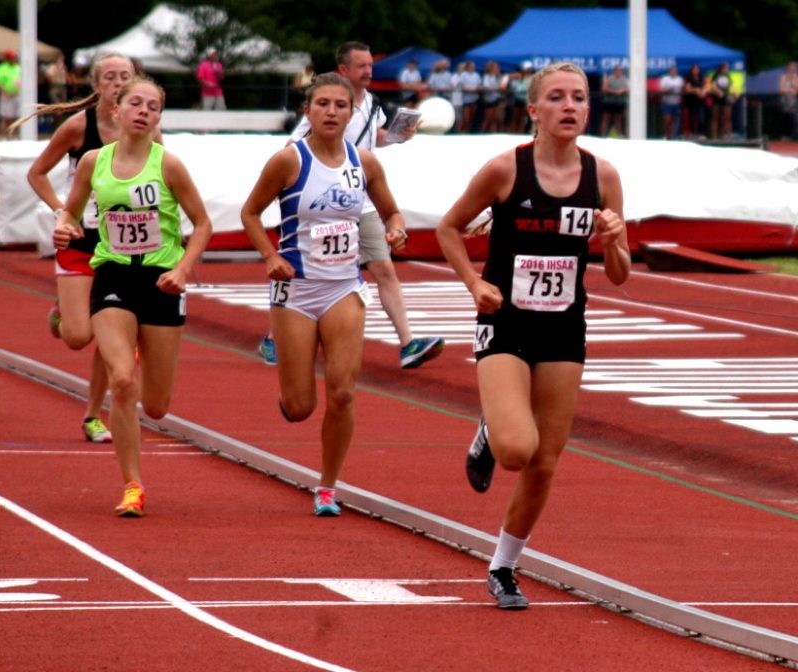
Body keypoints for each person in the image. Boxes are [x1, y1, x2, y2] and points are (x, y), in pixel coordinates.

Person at [436, 63, 631, 609]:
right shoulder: (505, 169)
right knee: (518, 450)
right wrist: (474, 283)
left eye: (579, 98)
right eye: (557, 98)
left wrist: (615, 240)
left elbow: (621, 274)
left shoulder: (604, 177)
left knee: (546, 460)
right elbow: (449, 228)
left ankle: (503, 567)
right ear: (534, 110)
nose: (570, 107)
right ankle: (492, 429)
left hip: (564, 327)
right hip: (506, 323)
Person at [241, 72, 408, 516]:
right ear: (308, 110)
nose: (332, 112)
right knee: (300, 407)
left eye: (340, 105)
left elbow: (391, 210)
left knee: (344, 392)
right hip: (295, 289)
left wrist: (394, 229)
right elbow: (251, 212)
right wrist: (268, 256)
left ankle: (328, 487)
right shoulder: (288, 161)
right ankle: (289, 394)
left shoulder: (365, 163)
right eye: (323, 105)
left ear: (352, 113)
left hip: (343, 288)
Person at [52, 75, 212, 517]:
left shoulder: (169, 165)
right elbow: (71, 207)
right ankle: (132, 486)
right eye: (136, 103)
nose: (144, 111)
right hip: (113, 276)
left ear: (159, 116)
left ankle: (138, 348)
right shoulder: (93, 162)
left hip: (162, 282)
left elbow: (201, 224)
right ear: (117, 110)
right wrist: (65, 224)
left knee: (157, 406)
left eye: (153, 106)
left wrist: (182, 269)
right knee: (122, 381)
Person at [258, 41, 444, 370]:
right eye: (362, 66)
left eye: (371, 65)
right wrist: (319, 166)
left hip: (361, 202)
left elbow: (375, 139)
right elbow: (293, 147)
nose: (369, 71)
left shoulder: (371, 104)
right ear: (344, 70)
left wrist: (399, 135)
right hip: (319, 205)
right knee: (308, 271)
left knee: (384, 268)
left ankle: (408, 342)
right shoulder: (324, 105)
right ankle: (277, 335)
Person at [14, 53, 149, 444]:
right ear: (98, 85)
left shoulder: (146, 130)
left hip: (122, 244)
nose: (118, 82)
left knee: (113, 335)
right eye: (110, 76)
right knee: (77, 337)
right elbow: (36, 172)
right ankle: (62, 310)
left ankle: (93, 415)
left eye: (126, 76)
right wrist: (63, 211)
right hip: (79, 238)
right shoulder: (78, 126)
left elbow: (160, 179)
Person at [599, 64, 629, 137]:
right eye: (617, 70)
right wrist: (615, 92)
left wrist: (622, 91)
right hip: (609, 102)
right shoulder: (609, 78)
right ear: (614, 71)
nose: (618, 72)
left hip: (619, 102)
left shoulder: (624, 79)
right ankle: (603, 134)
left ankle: (619, 135)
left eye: (620, 70)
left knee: (618, 119)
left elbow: (628, 88)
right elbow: (604, 88)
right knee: (606, 118)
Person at [0, 50, 21, 138]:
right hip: (6, 95)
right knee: (5, 117)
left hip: (17, 95)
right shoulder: (3, 68)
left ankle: (13, 136)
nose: (14, 59)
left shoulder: (18, 67)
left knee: (15, 117)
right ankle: (4, 136)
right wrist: (6, 91)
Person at [659, 65, 684, 139]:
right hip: (667, 102)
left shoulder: (680, 79)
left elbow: (683, 89)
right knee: (667, 120)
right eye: (672, 70)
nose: (674, 72)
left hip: (676, 103)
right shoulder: (665, 79)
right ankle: (667, 134)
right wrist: (669, 90)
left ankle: (673, 135)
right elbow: (661, 90)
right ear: (669, 71)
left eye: (675, 70)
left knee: (675, 120)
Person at [682, 64, 706, 139]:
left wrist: (703, 92)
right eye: (694, 69)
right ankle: (692, 133)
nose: (696, 70)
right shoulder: (689, 78)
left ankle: (700, 133)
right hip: (691, 101)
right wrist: (696, 90)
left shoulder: (702, 78)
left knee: (701, 118)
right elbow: (687, 89)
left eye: (697, 69)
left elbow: (707, 86)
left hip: (700, 101)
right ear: (692, 70)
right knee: (692, 118)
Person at [779, 62, 798, 140]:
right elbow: (781, 89)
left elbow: (796, 90)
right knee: (786, 117)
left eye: (794, 68)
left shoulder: (796, 78)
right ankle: (785, 135)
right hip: (785, 100)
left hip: (794, 101)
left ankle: (793, 135)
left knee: (794, 117)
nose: (792, 70)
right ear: (788, 68)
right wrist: (790, 90)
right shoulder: (784, 77)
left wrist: (791, 89)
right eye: (791, 68)